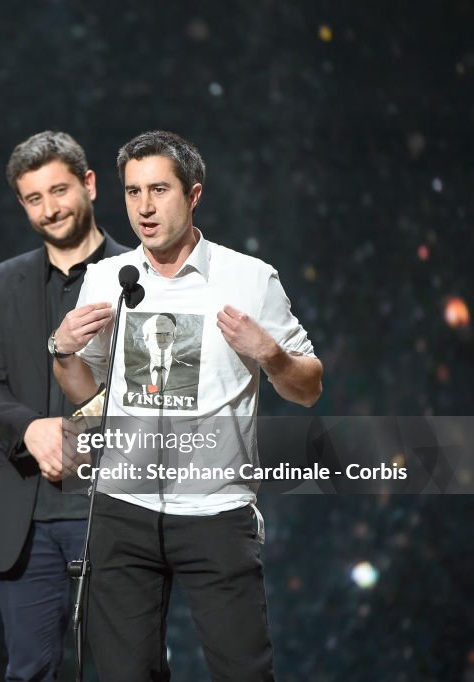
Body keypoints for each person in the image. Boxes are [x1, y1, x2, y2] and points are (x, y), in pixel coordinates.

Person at [52, 131, 323, 681]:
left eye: (159, 190)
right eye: (132, 193)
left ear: (194, 194)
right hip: (121, 511)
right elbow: (91, 399)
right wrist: (60, 352)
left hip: (216, 514)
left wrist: (269, 354)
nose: (144, 208)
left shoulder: (248, 278)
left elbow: (308, 387)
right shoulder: (108, 279)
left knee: (243, 672)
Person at [0, 131, 129, 681]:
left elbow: (160, 394)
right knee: (30, 671)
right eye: (34, 199)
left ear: (89, 184)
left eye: (59, 191)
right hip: (26, 520)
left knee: (124, 670)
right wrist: (31, 428)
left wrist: (86, 432)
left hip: (115, 510)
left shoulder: (141, 277)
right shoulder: (3, 282)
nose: (50, 209)